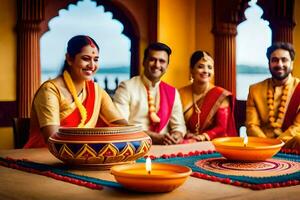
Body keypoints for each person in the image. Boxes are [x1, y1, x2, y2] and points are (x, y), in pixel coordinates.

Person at [24, 35, 127, 148]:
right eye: (85, 59)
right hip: (44, 157)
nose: (92, 65)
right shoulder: (50, 90)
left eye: (96, 59)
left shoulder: (96, 91)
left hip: (85, 155)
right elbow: (53, 140)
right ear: (69, 58)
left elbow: (122, 125)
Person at [113, 42, 186, 145]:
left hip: (165, 148)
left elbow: (179, 126)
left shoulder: (172, 92)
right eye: (152, 60)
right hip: (133, 146)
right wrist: (154, 137)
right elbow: (120, 126)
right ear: (144, 61)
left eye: (162, 61)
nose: (157, 65)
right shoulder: (126, 87)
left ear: (167, 66)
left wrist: (176, 136)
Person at [246, 42, 300, 150]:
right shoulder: (255, 90)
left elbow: (298, 127)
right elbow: (251, 125)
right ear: (269, 63)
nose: (279, 64)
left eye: (284, 60)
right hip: (261, 145)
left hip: (291, 144)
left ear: (292, 63)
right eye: (274, 60)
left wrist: (275, 144)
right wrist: (267, 144)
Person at [179, 50, 237, 143]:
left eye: (210, 67)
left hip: (211, 143)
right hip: (185, 140)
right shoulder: (179, 93)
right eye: (200, 66)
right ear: (191, 70)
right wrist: (185, 134)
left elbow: (221, 127)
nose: (206, 71)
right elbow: (176, 123)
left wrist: (202, 137)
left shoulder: (220, 95)